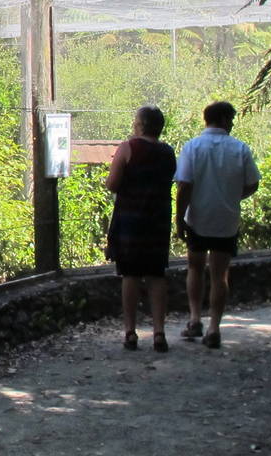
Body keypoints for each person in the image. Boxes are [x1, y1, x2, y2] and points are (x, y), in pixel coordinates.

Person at [174, 100, 261, 349]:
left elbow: (184, 186)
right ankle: (214, 327)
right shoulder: (240, 149)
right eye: (231, 119)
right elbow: (252, 183)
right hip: (226, 219)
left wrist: (179, 219)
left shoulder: (192, 147)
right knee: (220, 274)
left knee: (195, 267)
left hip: (198, 218)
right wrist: (234, 196)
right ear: (223, 119)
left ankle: (194, 319)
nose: (232, 123)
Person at [104, 105, 177, 351]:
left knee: (131, 275)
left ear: (141, 124)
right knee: (157, 275)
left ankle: (130, 332)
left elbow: (112, 184)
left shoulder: (129, 148)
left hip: (131, 219)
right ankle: (159, 332)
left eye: (136, 120)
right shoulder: (168, 152)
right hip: (158, 220)